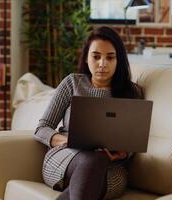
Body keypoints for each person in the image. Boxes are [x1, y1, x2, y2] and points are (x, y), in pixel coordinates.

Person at [34, 26, 143, 200]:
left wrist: (124, 153)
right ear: (86, 58)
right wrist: (68, 141)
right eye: (96, 56)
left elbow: (133, 142)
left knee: (97, 161)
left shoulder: (132, 93)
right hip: (66, 158)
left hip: (110, 169)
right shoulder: (72, 83)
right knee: (93, 162)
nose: (102, 64)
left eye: (110, 57)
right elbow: (42, 129)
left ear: (119, 60)